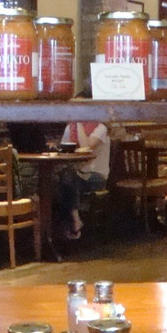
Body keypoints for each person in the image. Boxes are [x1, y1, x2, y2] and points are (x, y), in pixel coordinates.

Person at [55, 95, 111, 239]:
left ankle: (70, 224)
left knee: (66, 182)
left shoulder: (100, 128)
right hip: (76, 174)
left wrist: (79, 123)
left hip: (96, 175)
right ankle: (73, 220)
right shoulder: (70, 127)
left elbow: (86, 148)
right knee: (62, 182)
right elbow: (64, 149)